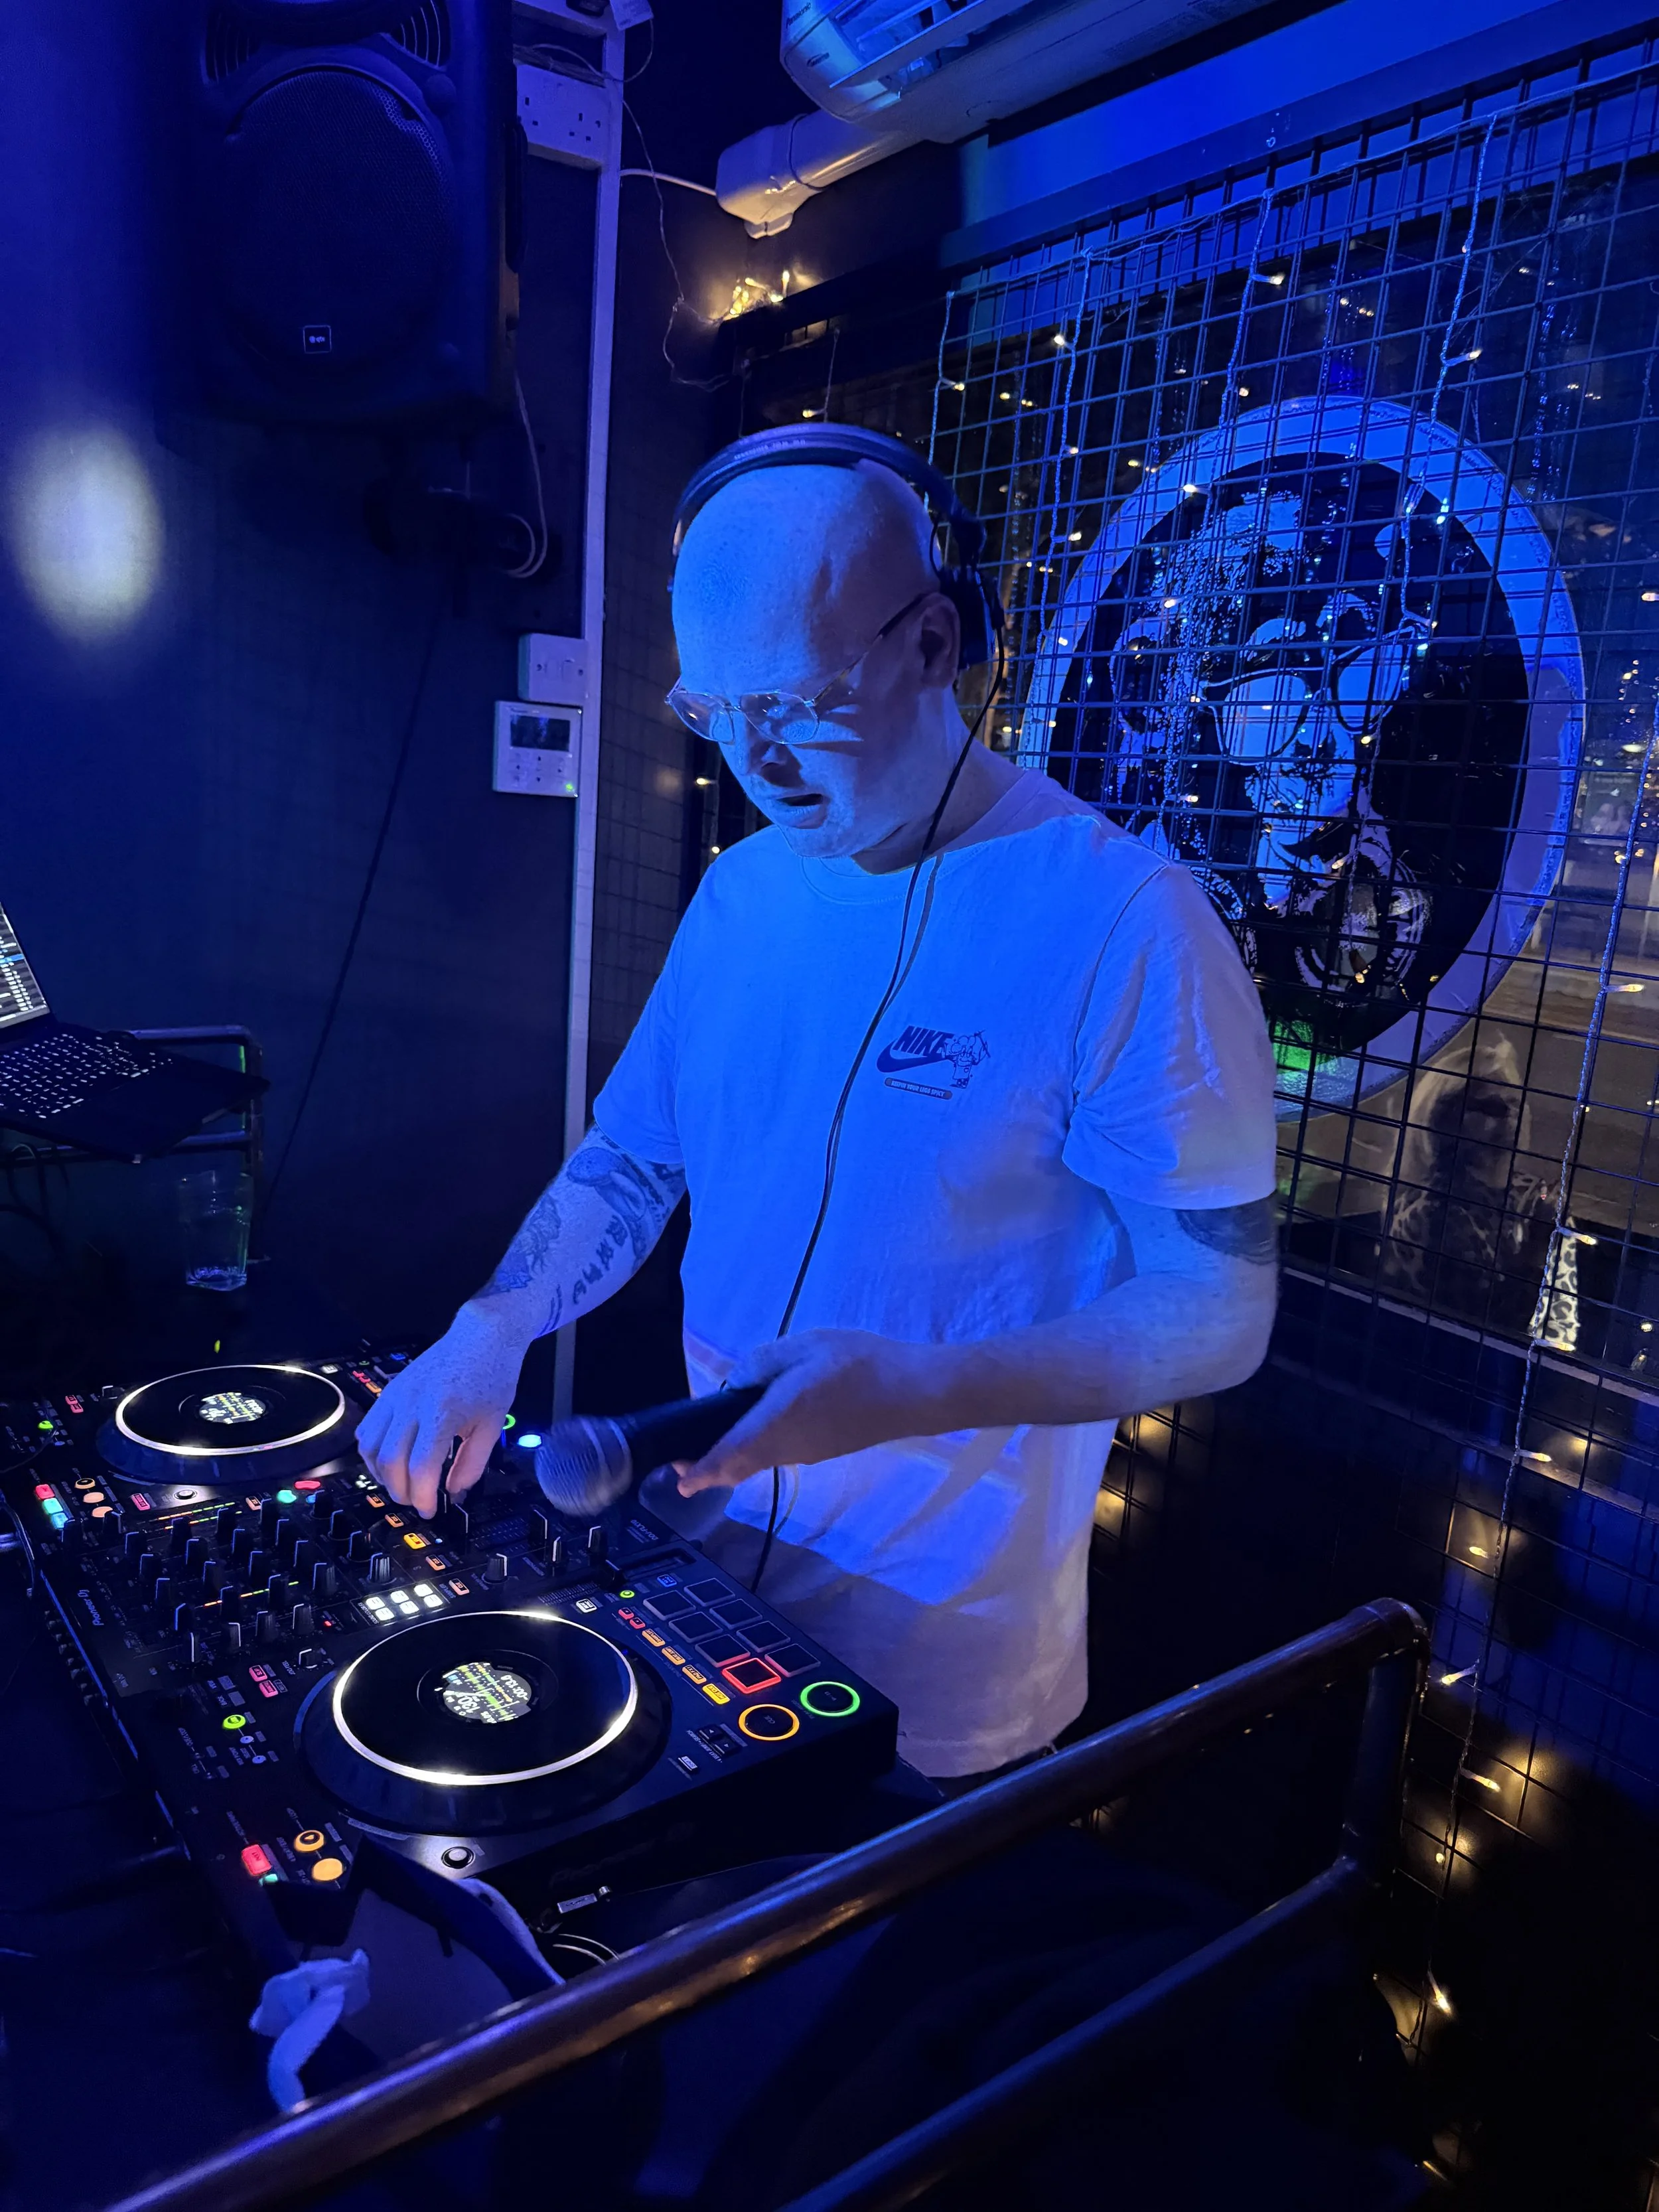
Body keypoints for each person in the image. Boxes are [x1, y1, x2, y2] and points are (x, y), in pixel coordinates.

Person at [357, 442, 1280, 1783]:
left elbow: (1220, 1310)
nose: (755, 758)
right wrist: (493, 1324)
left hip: (940, 1684)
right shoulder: (739, 894)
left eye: (798, 700)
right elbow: (628, 1163)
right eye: (716, 711)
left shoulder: (1124, 924)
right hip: (704, 1611)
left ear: (931, 644)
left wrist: (916, 1384)